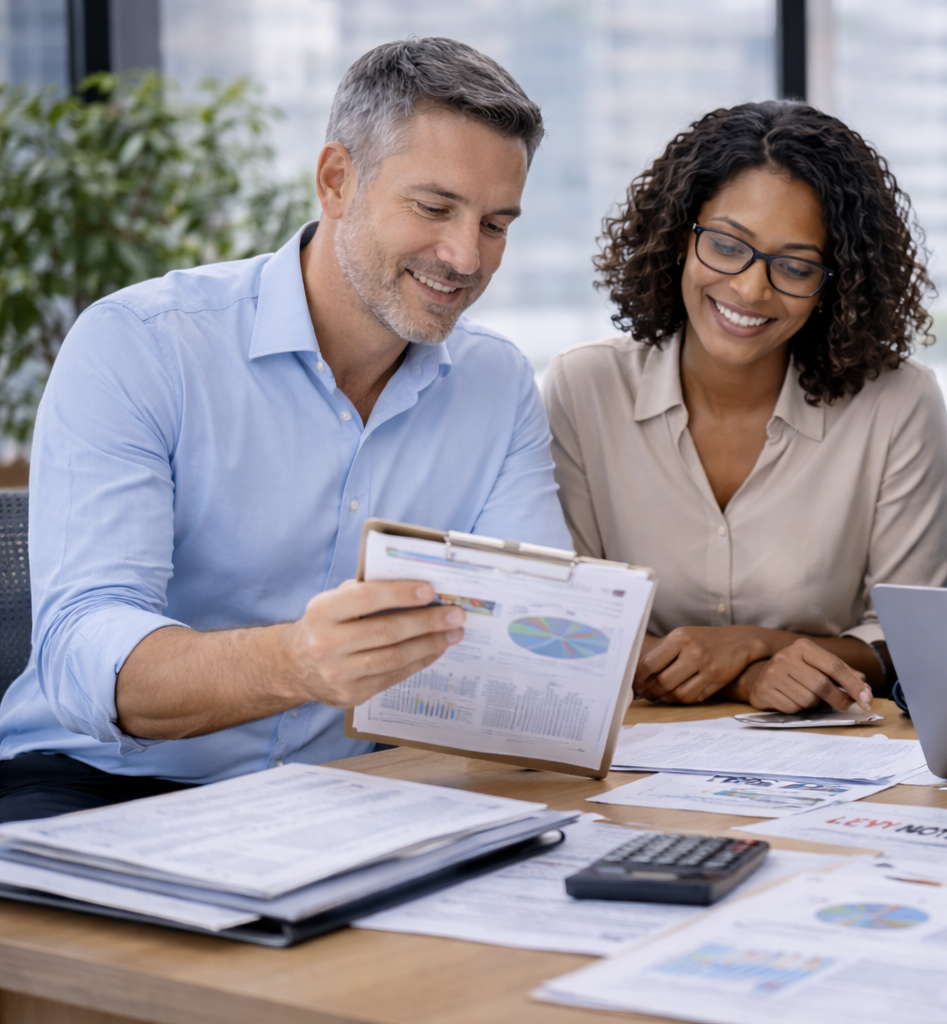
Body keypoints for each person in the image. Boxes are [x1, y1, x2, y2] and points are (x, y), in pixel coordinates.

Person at [0, 38, 571, 822]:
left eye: (496, 224)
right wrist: (296, 662)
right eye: (434, 208)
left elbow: (527, 652)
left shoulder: (497, 384)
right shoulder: (141, 343)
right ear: (337, 180)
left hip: (348, 796)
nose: (465, 256)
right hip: (96, 783)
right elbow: (81, 654)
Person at [542, 101, 947, 714]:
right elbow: (565, 619)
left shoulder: (897, 403)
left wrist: (755, 643)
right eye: (728, 246)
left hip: (836, 760)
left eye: (795, 266)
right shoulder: (584, 389)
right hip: (630, 756)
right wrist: (742, 677)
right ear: (680, 237)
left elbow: (912, 637)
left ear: (835, 285)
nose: (749, 289)